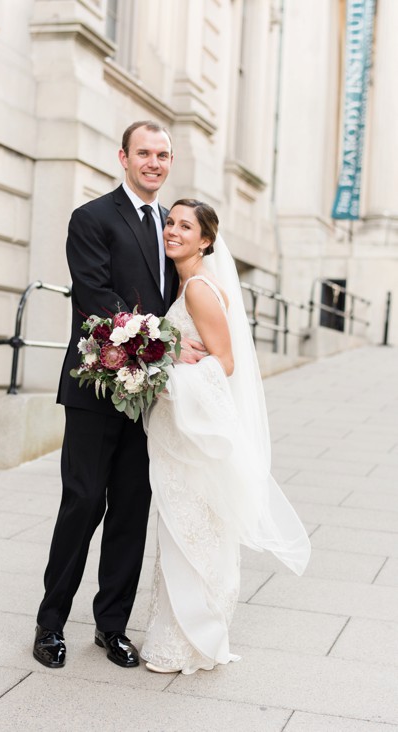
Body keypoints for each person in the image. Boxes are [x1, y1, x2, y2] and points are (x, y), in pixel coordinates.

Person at [34, 121, 206, 669]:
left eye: (163, 155)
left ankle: (112, 627)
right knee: (83, 504)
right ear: (123, 158)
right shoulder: (91, 218)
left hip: (150, 398)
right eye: (144, 153)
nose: (154, 162)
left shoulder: (173, 227)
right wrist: (166, 346)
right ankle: (50, 624)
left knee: (132, 508)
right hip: (96, 387)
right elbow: (96, 297)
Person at [140, 200, 310, 674]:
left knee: (190, 530)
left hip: (191, 433)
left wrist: (167, 367)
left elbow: (226, 363)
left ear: (206, 240)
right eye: (170, 223)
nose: (173, 231)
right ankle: (183, 637)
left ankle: (188, 639)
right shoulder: (189, 283)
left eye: (185, 226)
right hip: (182, 430)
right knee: (186, 530)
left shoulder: (197, 289)